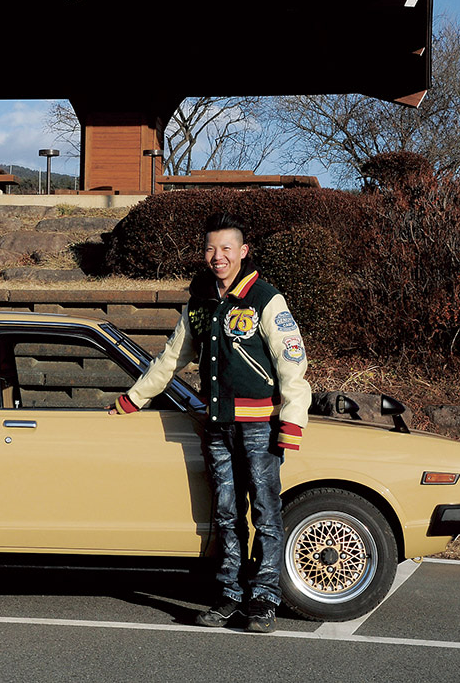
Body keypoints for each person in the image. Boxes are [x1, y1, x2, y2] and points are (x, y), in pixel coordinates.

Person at [109, 212, 311, 633]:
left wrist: (291, 423)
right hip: (217, 427)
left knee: (267, 515)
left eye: (226, 249)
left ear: (243, 252)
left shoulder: (266, 299)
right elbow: (171, 358)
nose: (217, 257)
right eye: (210, 249)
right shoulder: (199, 299)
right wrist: (133, 400)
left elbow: (293, 365)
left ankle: (264, 600)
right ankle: (229, 597)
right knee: (226, 514)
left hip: (260, 428)